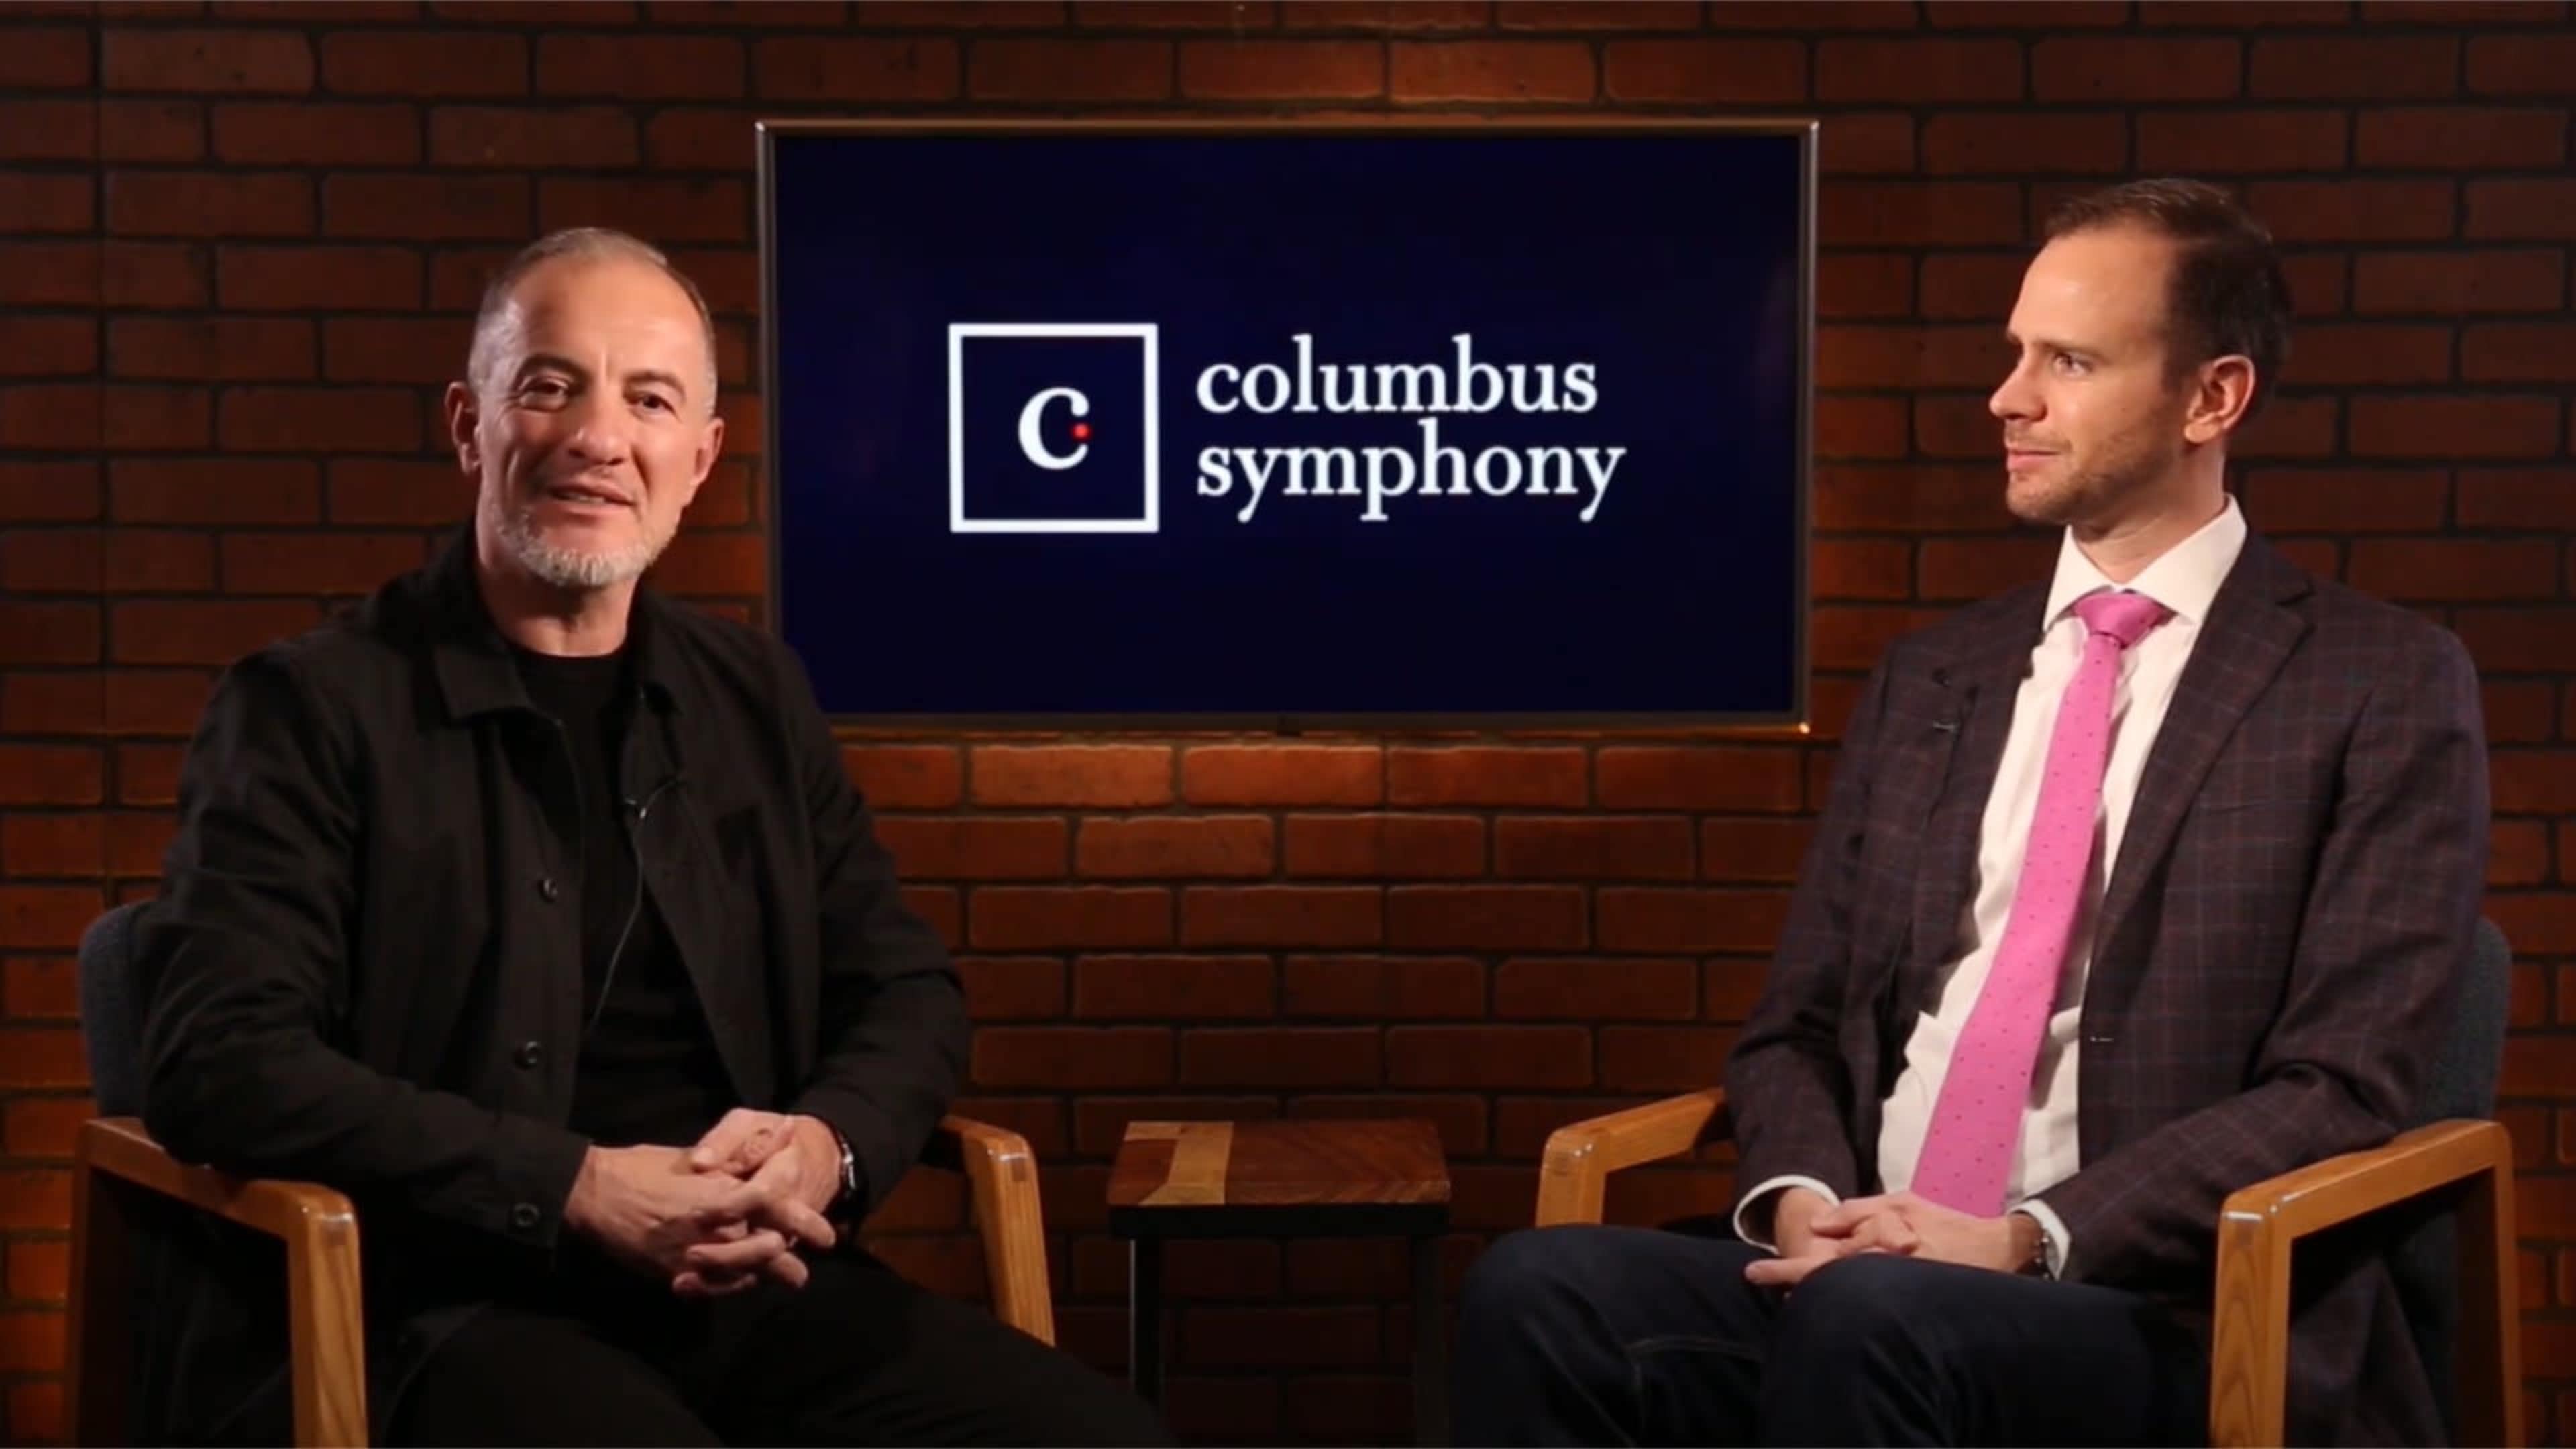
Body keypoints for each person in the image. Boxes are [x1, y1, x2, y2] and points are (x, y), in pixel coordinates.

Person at [1453, 178, 2489, 1446]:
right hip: (1867, 1266)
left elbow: (2344, 1085)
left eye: (2069, 362)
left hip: (2164, 1301)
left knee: (1870, 1323)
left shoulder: (2380, 680)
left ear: (2212, 399)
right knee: (1540, 1289)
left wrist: (2026, 1236)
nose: (2009, 398)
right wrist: (1805, 1204)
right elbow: (1797, 1027)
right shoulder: (1935, 676)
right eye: (2015, 353)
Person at [133, 227, 1170, 1447]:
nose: (599, 437)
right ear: (470, 425)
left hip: (743, 1286)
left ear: (700, 458)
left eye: (650, 399)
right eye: (551, 385)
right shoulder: (307, 708)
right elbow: (219, 1059)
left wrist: (825, 1148)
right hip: (442, 1298)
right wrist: (572, 1186)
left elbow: (906, 991)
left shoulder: (754, 697)